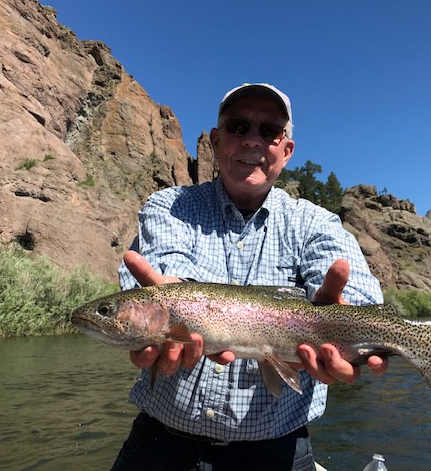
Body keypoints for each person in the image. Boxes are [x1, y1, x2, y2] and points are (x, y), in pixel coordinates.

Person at [112, 83, 387, 471]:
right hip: (159, 447)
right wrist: (171, 307)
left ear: (286, 149)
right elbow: (165, 271)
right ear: (214, 141)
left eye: (269, 131)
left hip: (278, 454)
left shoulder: (315, 223)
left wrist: (344, 321)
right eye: (238, 127)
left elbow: (358, 291)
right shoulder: (169, 205)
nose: (252, 141)